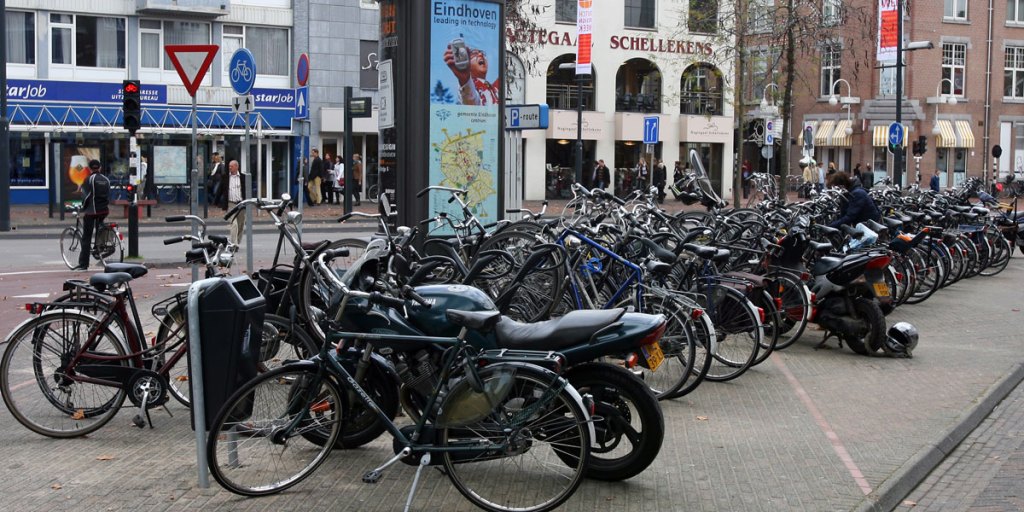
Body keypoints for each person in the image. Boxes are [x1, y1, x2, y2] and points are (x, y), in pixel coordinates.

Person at [74, 159, 110, 271]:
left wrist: (83, 207)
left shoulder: (89, 179)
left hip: (92, 211)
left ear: (89, 168)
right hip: (104, 210)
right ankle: (98, 248)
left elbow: (86, 196)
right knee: (99, 228)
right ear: (100, 168)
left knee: (86, 236)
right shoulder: (106, 179)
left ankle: (83, 264)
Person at [217, 160, 247, 246]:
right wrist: (217, 202)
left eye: (232, 166)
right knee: (234, 224)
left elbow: (247, 190)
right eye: (229, 166)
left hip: (241, 204)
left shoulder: (243, 177)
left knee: (241, 224)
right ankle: (234, 244)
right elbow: (220, 189)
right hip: (230, 204)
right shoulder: (225, 177)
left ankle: (237, 240)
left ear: (237, 167)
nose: (230, 168)